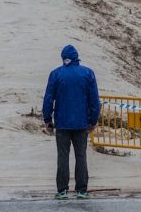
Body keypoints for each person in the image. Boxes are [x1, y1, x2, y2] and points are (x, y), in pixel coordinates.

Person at [42, 44, 100, 200]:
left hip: (62, 123)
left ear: (63, 58)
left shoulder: (55, 74)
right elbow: (94, 100)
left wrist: (47, 119)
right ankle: (81, 190)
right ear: (77, 58)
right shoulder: (88, 73)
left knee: (63, 156)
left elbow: (48, 99)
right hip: (82, 123)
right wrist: (93, 120)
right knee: (81, 156)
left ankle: (62, 190)